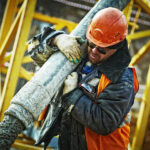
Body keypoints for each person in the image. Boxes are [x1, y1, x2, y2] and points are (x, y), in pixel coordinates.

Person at [0, 7, 139, 150]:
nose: (94, 51)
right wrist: (55, 39)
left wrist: (72, 95)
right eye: (92, 44)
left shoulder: (123, 79)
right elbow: (32, 50)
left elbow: (105, 122)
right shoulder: (79, 50)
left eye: (102, 49)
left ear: (116, 47)